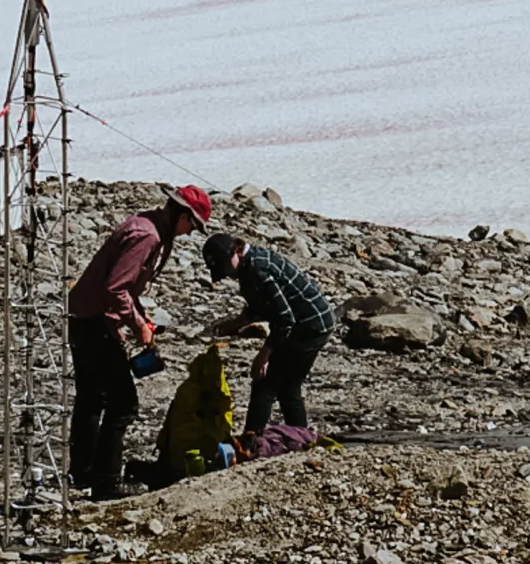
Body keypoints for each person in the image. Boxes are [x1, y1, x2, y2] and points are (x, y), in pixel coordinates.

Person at [68, 184, 211, 500]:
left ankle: (82, 473)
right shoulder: (148, 236)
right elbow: (117, 290)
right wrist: (139, 327)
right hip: (96, 323)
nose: (189, 233)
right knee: (123, 404)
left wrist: (140, 317)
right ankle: (107, 482)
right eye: (192, 225)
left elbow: (124, 291)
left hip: (83, 317)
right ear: (182, 215)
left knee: (91, 400)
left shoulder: (144, 224)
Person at [202, 233, 334, 435]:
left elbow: (284, 319)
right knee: (288, 385)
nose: (228, 274)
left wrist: (264, 354)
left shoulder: (258, 270)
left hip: (311, 325)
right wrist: (237, 322)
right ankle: (299, 436)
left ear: (236, 251)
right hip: (309, 322)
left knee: (267, 384)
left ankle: (251, 439)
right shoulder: (249, 266)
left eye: (227, 268)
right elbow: (263, 304)